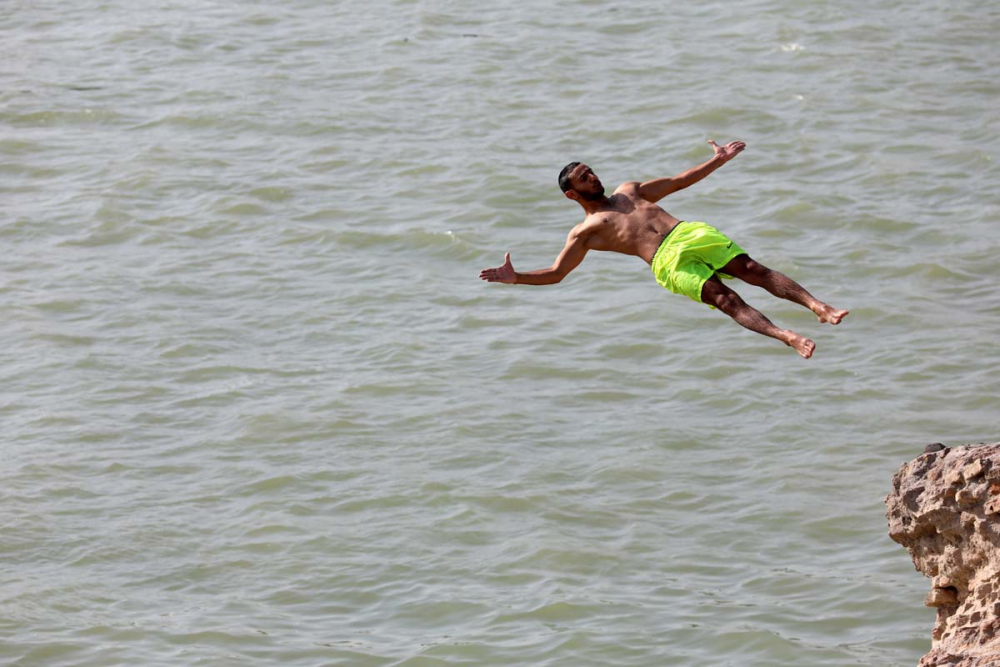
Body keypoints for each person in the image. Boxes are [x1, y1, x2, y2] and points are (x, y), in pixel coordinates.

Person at [479, 140, 848, 358]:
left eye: (591, 171)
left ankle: (818, 306)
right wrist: (516, 278)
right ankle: (786, 336)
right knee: (726, 300)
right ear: (572, 194)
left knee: (754, 271)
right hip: (665, 261)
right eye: (584, 178)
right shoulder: (586, 231)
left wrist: (717, 160)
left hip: (688, 234)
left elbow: (678, 181)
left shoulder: (629, 190)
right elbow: (557, 273)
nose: (594, 177)